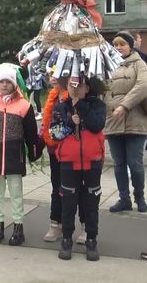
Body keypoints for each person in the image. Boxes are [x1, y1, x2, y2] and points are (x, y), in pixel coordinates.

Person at [0, 64, 38, 246]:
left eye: (8, 81)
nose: (4, 85)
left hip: (14, 156)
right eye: (1, 81)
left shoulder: (24, 106)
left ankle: (18, 227)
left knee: (16, 193)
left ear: (14, 84)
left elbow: (31, 133)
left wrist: (33, 152)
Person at [50, 78, 106, 261]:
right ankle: (66, 239)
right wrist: (68, 122)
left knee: (91, 203)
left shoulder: (97, 104)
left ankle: (91, 239)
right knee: (68, 203)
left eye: (79, 85)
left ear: (87, 88)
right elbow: (54, 134)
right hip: (68, 163)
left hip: (92, 163)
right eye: (71, 85)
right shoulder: (61, 107)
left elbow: (97, 125)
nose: (75, 89)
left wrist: (81, 106)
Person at [40, 75, 88, 244]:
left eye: (56, 74)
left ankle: (85, 226)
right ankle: (56, 223)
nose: (52, 78)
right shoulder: (53, 96)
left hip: (76, 152)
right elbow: (50, 126)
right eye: (49, 74)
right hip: (55, 149)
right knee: (57, 186)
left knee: (81, 188)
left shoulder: (78, 98)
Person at [104, 31, 147, 213]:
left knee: (135, 163)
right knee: (119, 163)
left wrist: (125, 105)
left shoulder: (139, 64)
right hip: (113, 120)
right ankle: (124, 199)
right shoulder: (108, 64)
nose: (119, 47)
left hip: (135, 120)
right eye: (116, 44)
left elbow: (143, 85)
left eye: (122, 44)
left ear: (130, 45)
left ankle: (140, 196)